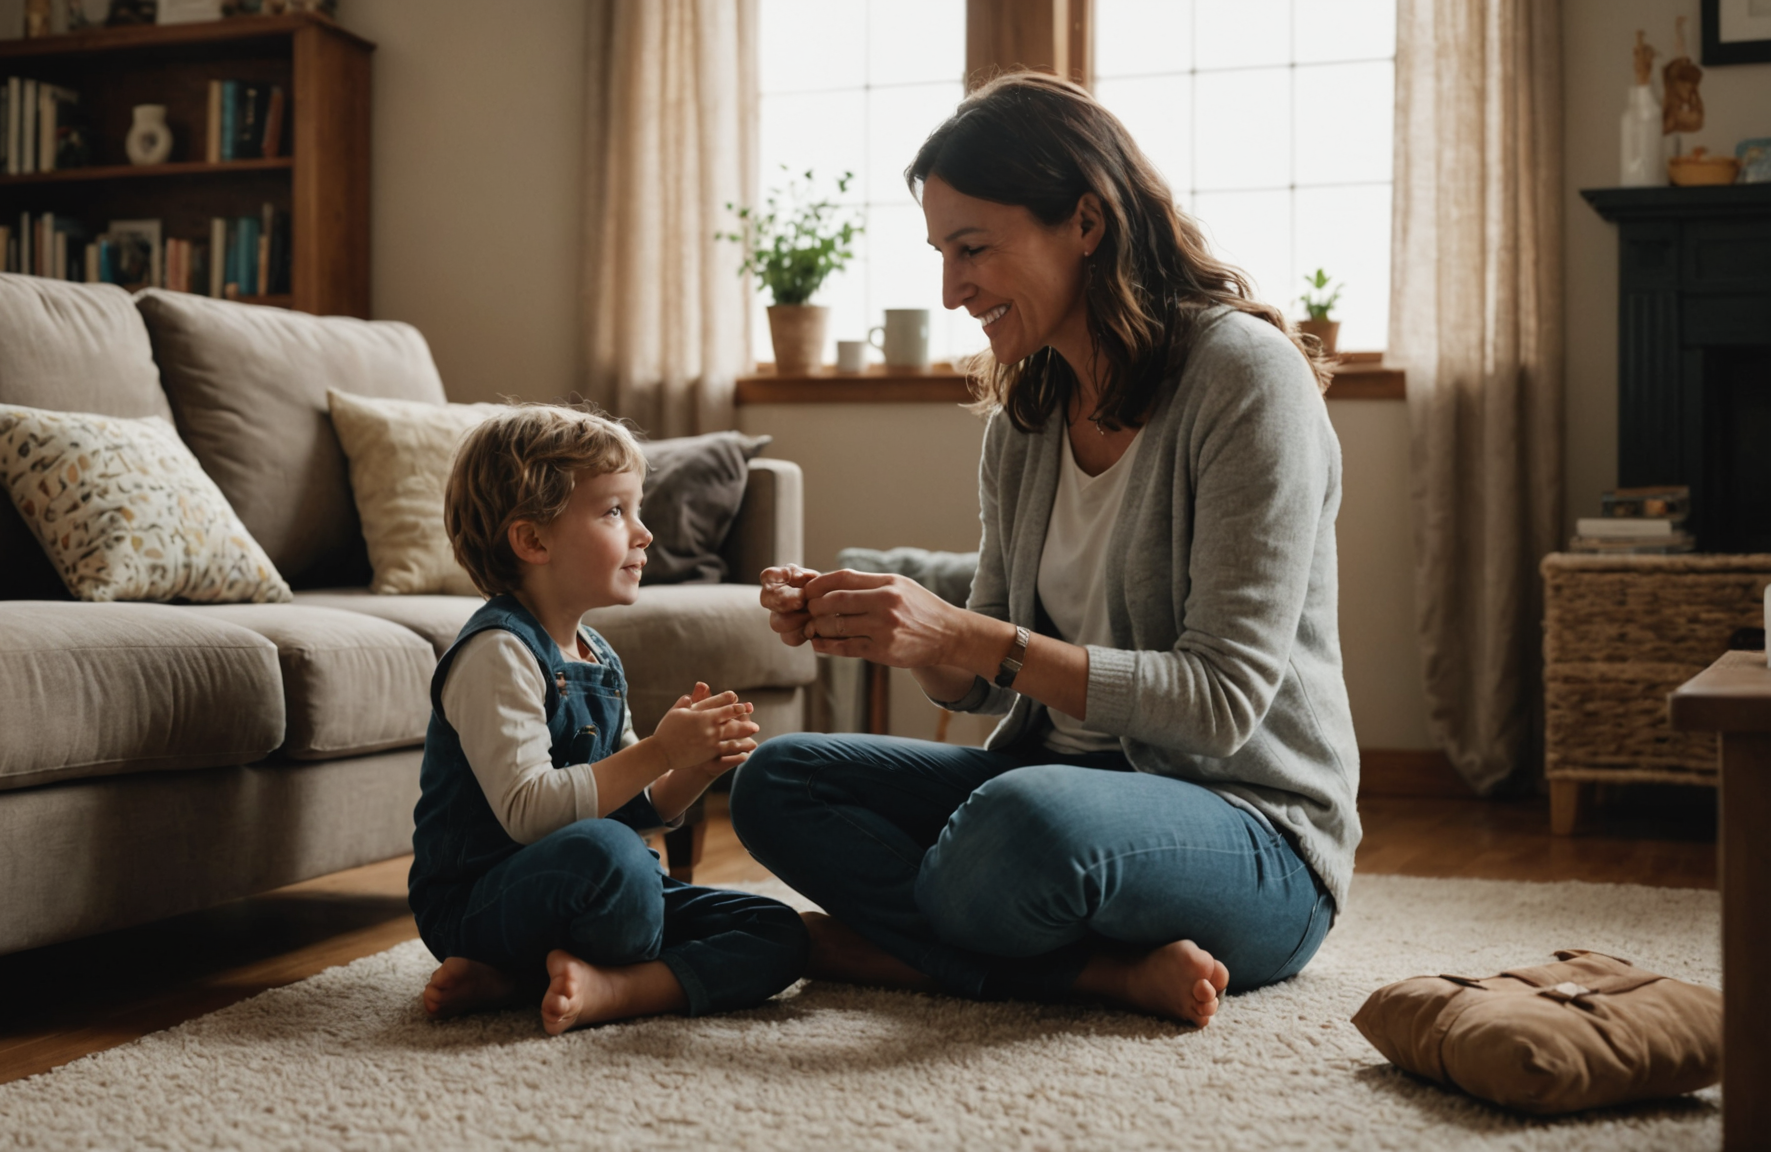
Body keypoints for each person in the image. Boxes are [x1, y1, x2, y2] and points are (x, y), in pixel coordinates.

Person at [730, 72, 1359, 1029]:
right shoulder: (1025, 420)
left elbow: (1221, 702)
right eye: (943, 255)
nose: (952, 291)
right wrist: (897, 633)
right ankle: (1096, 974)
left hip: (1251, 827)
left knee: (1018, 829)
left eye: (973, 248)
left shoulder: (1247, 380)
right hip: (1058, 793)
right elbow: (984, 688)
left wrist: (965, 635)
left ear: (1087, 222)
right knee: (777, 782)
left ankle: (891, 945)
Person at [410, 405, 808, 1034]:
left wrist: (691, 770)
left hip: (601, 884)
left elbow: (631, 805)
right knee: (613, 855)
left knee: (777, 930)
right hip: (480, 902)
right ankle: (531, 968)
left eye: (635, 510)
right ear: (533, 541)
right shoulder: (497, 653)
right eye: (615, 512)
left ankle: (595, 987)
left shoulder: (598, 655)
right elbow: (529, 811)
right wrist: (657, 751)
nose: (643, 534)